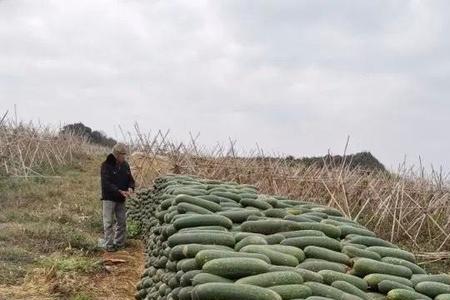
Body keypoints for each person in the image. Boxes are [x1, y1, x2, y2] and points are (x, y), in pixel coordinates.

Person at [100, 143, 135, 252]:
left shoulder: (125, 165)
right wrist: (119, 191)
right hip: (109, 198)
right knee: (108, 222)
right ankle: (108, 245)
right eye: (122, 155)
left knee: (122, 221)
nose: (124, 157)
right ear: (116, 154)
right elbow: (106, 183)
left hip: (121, 199)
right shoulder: (106, 165)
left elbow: (131, 180)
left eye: (124, 155)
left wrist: (130, 188)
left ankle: (119, 244)